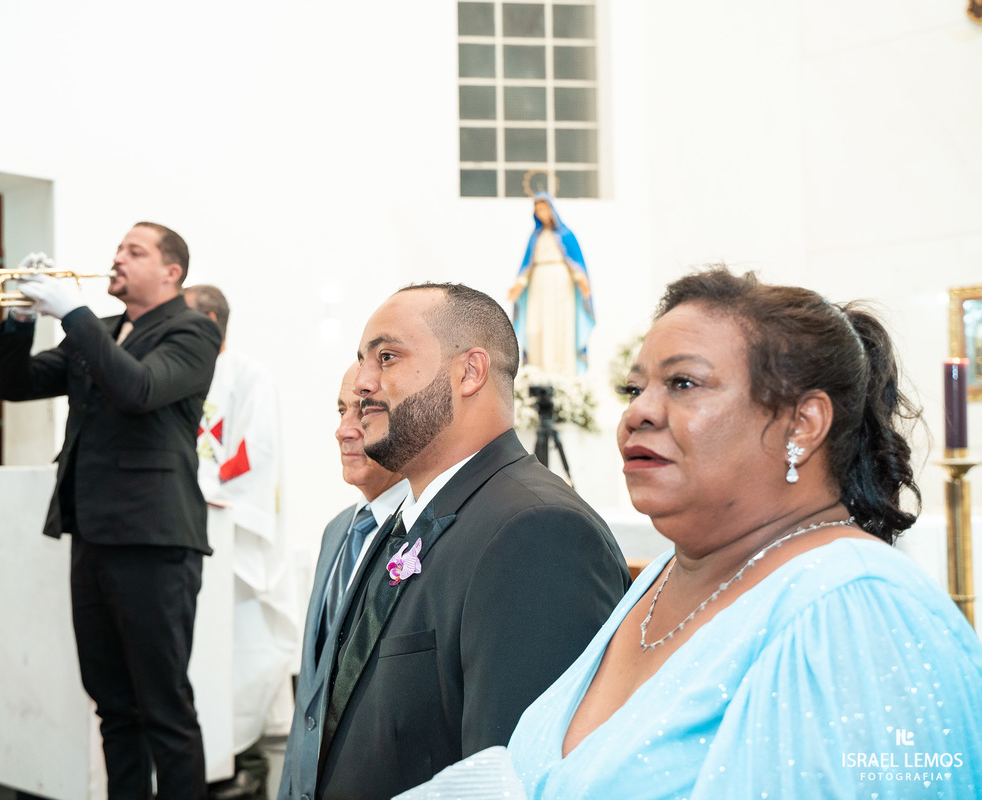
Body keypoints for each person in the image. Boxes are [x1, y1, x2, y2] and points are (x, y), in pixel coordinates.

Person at [506, 268, 982, 799]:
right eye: (634, 388)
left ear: (802, 424)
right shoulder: (668, 576)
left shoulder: (859, 610)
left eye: (683, 384)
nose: (637, 412)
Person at [301, 282, 630, 800]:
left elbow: (513, 777)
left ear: (469, 372)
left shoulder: (536, 531)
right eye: (363, 360)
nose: (363, 382)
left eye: (386, 357)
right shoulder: (407, 519)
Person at [0, 222, 221, 799]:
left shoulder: (191, 331)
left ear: (172, 271)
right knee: (112, 705)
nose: (116, 259)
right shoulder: (106, 329)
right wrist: (20, 318)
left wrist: (72, 312)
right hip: (91, 532)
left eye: (133, 251)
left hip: (155, 540)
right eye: (117, 248)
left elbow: (138, 389)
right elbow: (17, 385)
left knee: (163, 708)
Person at [183, 284, 300, 800]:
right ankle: (206, 758)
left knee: (240, 651)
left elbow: (255, 453)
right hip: (186, 531)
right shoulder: (177, 372)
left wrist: (197, 486)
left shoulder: (250, 376)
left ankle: (242, 761)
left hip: (231, 536)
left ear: (210, 320)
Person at [277, 364, 409, 799]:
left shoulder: (420, 537)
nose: (343, 431)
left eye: (364, 413)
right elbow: (309, 700)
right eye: (340, 411)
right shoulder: (337, 531)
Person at [507, 192, 595, 374]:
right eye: (537, 209)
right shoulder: (535, 237)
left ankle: (563, 371)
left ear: (551, 209)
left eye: (543, 208)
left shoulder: (566, 234)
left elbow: (576, 263)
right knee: (537, 325)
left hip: (561, 285)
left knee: (560, 324)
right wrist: (519, 284)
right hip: (538, 285)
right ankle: (539, 371)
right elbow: (527, 265)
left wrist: (581, 279)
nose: (540, 213)